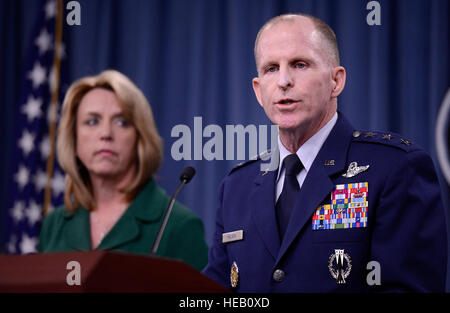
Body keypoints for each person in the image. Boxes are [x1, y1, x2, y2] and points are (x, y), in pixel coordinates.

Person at [203, 13, 448, 292]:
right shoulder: (236, 186)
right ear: (259, 92)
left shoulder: (395, 168)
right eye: (271, 68)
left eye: (300, 64)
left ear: (336, 81)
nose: (284, 80)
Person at [38, 70, 208, 271]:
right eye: (92, 121)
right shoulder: (54, 225)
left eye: (122, 122)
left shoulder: (179, 226)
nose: (106, 133)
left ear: (140, 136)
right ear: (73, 137)